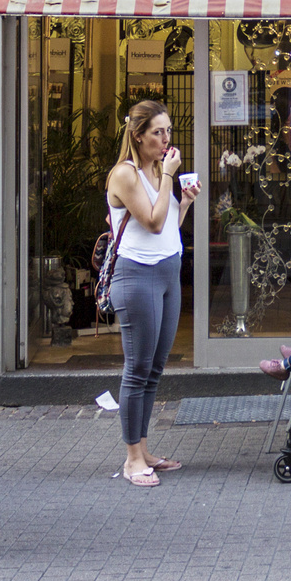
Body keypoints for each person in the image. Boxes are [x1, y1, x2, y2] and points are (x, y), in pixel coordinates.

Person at [106, 100, 200, 487]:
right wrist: (169, 179)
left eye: (169, 131)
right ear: (137, 134)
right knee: (137, 368)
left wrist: (187, 200)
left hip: (166, 272)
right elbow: (152, 219)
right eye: (158, 132)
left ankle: (144, 450)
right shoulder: (125, 175)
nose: (166, 139)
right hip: (137, 276)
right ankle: (131, 459)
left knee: (155, 368)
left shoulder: (158, 170)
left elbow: (169, 227)